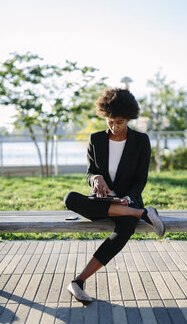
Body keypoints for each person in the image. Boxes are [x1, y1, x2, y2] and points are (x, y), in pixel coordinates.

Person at [64, 88, 165, 305]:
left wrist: (127, 199)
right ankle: (143, 214)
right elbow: (90, 172)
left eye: (119, 122)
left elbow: (140, 180)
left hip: (129, 199)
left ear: (128, 118)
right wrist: (96, 179)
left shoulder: (141, 141)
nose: (114, 126)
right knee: (69, 198)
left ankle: (78, 281)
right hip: (103, 201)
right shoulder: (96, 139)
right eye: (110, 121)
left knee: (126, 226)